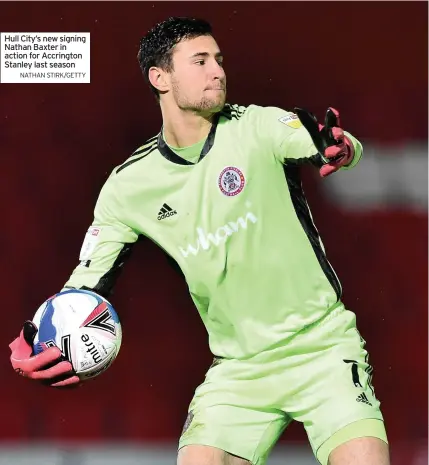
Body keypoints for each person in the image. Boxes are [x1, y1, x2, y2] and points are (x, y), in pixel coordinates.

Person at [9, 16, 390, 465]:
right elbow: (87, 284)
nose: (218, 71)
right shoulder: (128, 187)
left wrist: (340, 148)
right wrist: (38, 334)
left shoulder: (258, 127)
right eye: (201, 60)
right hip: (238, 369)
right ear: (160, 77)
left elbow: (320, 140)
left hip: (322, 348)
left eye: (219, 60)